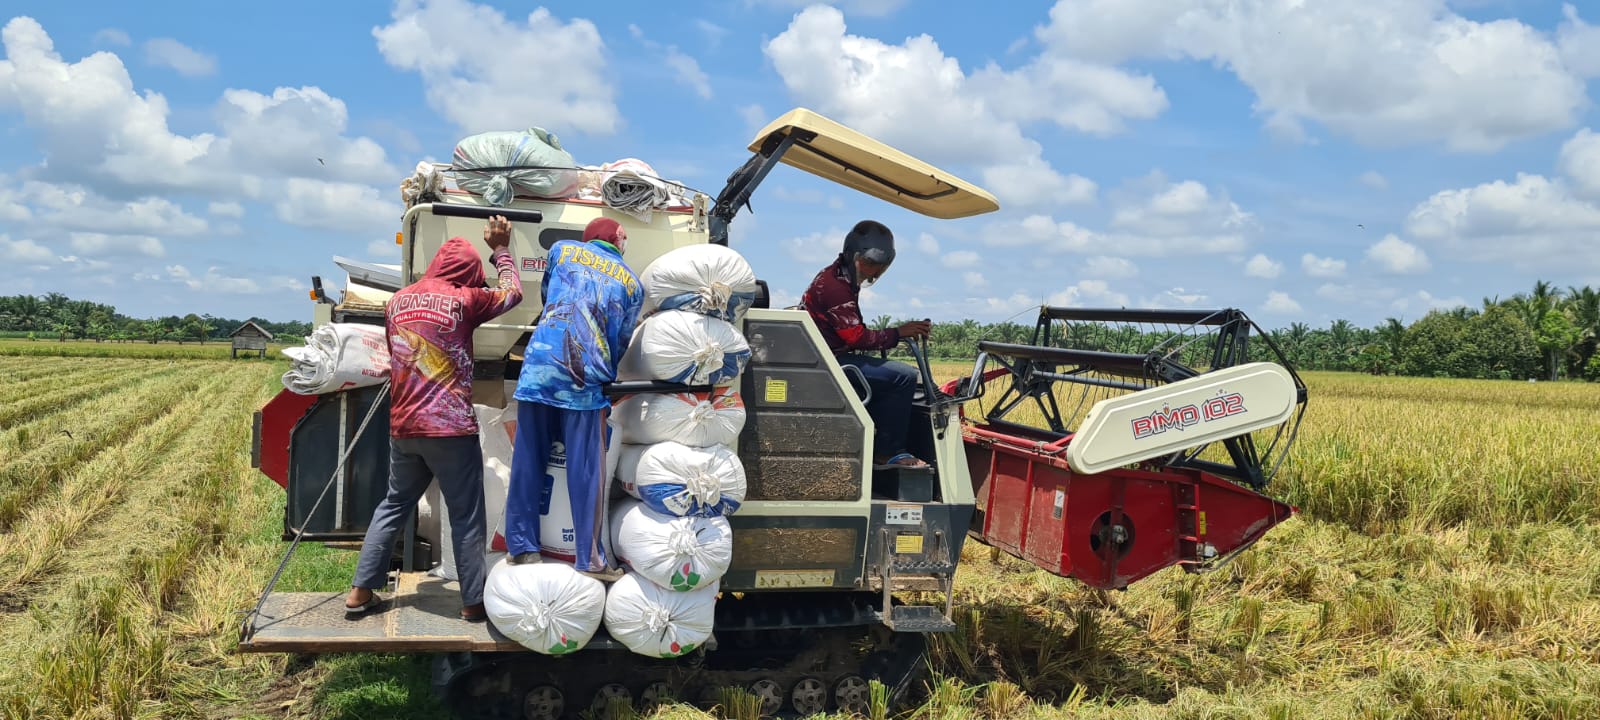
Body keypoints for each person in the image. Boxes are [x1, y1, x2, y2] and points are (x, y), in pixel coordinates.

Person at [346, 215, 524, 622]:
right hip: (450, 429)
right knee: (465, 514)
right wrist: (500, 250)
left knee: (394, 504)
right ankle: (472, 602)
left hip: (404, 426)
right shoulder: (464, 300)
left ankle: (359, 591)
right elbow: (512, 293)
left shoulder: (396, 301)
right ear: (468, 273)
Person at [506, 217, 642, 581]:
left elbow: (548, 296)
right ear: (619, 240)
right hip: (584, 382)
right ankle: (589, 559)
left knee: (528, 460)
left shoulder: (561, 251)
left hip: (538, 370)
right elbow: (623, 339)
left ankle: (522, 548)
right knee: (585, 472)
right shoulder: (631, 282)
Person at [802, 220, 932, 468]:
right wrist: (899, 332)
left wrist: (899, 333)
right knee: (904, 377)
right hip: (829, 363)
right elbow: (857, 338)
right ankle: (888, 451)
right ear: (853, 256)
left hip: (825, 357)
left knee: (888, 374)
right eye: (869, 264)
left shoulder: (841, 276)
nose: (873, 272)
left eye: (878, 267)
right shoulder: (836, 288)